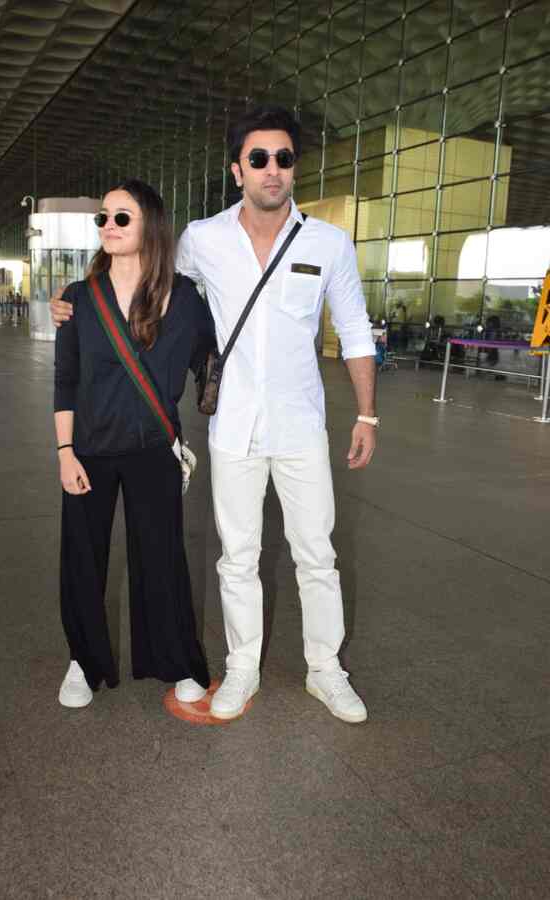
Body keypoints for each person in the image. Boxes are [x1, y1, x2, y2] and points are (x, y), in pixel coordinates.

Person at [52, 107, 377, 724]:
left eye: (283, 157)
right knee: (237, 555)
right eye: (258, 158)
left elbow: (355, 329)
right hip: (232, 429)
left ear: (293, 167)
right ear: (238, 170)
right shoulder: (203, 239)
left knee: (317, 554)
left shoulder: (328, 243)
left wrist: (367, 416)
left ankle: (326, 671)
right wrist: (71, 300)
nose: (272, 169)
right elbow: (152, 282)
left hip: (302, 423)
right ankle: (243, 668)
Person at [53, 178, 211, 709]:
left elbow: (210, 361)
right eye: (103, 217)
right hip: (90, 450)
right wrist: (64, 452)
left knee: (161, 557)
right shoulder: (78, 298)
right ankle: (83, 660)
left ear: (150, 224)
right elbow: (65, 380)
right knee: (82, 558)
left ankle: (176, 661)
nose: (109, 227)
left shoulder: (183, 297)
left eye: (122, 217)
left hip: (152, 449)